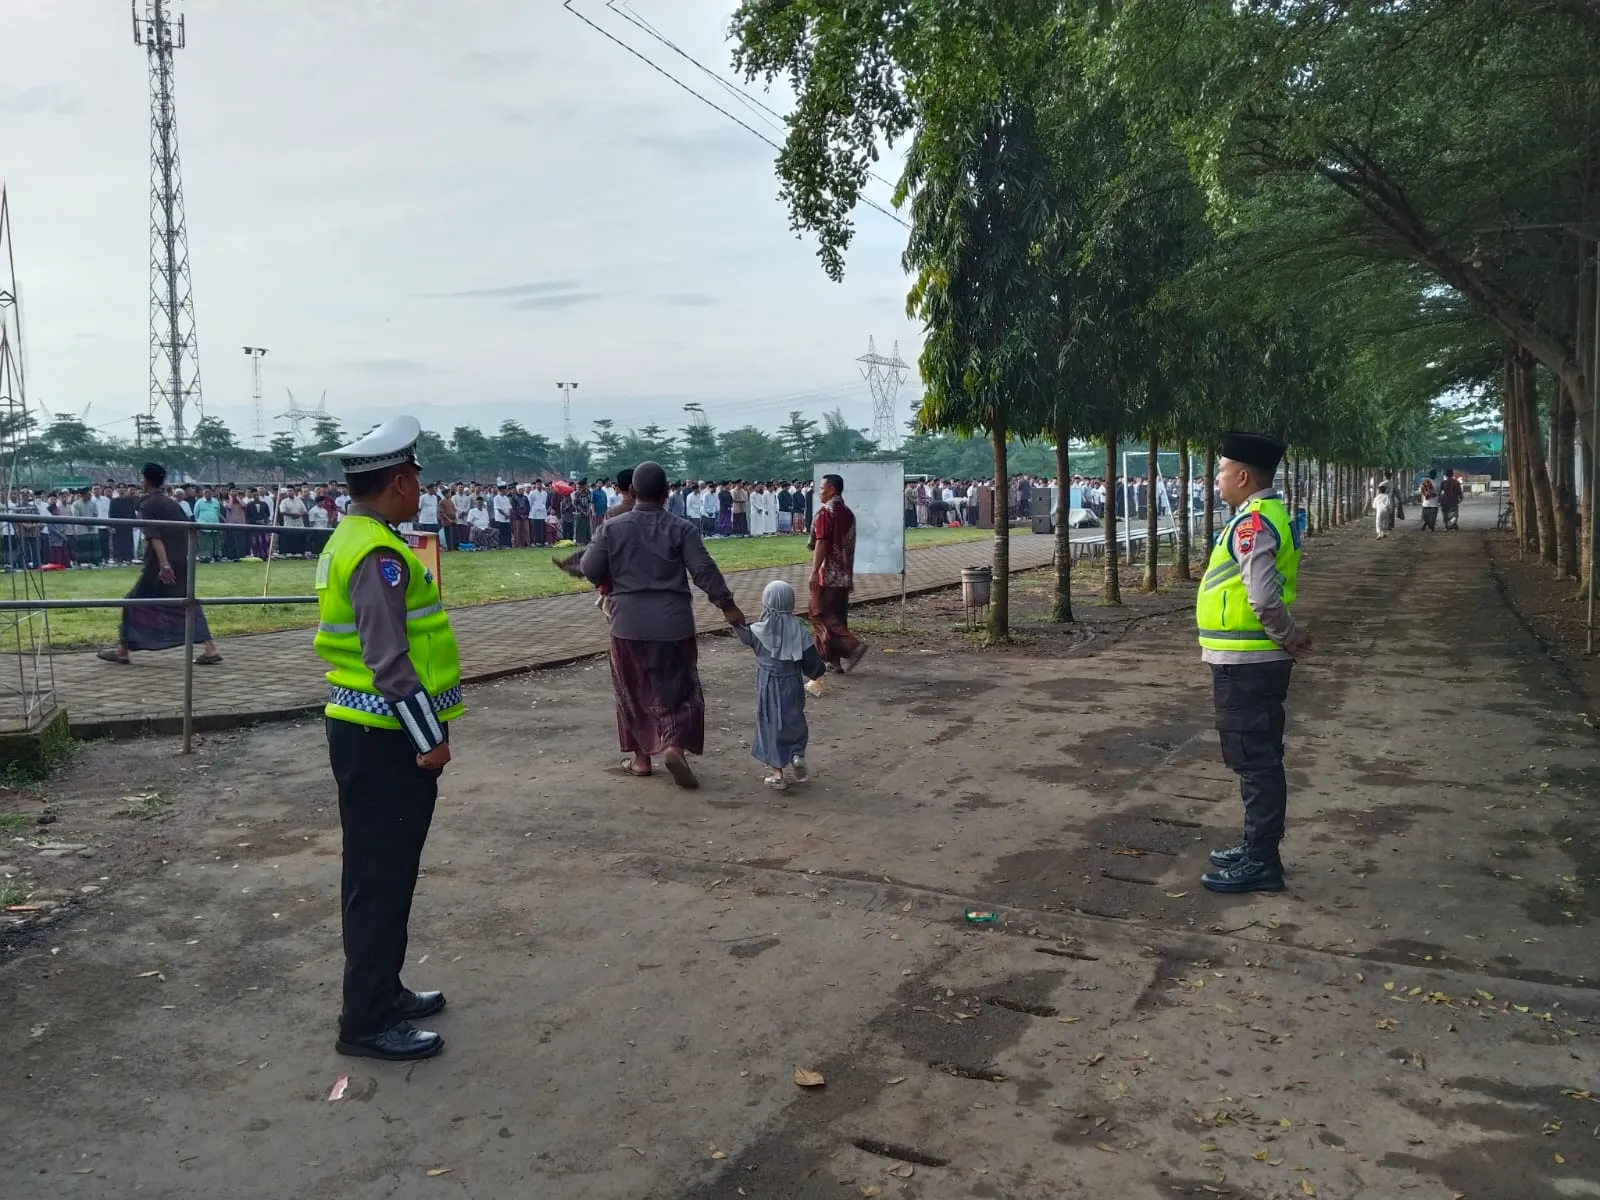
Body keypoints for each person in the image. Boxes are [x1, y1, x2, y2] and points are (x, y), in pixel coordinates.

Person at [313, 416, 461, 1063]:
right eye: (417, 478)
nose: (421, 488)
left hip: (371, 730)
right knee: (379, 877)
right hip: (385, 737)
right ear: (399, 481)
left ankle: (384, 990)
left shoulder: (357, 538)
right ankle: (366, 1020)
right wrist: (429, 738)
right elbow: (388, 657)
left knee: (387, 872)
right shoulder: (378, 555)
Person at [580, 461, 745, 789]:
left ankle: (641, 759)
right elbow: (703, 571)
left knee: (632, 690)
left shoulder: (612, 528)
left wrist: (613, 582)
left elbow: (588, 567)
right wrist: (728, 606)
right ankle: (674, 747)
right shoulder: (681, 528)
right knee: (678, 690)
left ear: (632, 492)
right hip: (674, 625)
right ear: (666, 492)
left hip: (627, 625)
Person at [1194, 432, 1309, 895]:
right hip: (1247, 660)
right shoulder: (1262, 516)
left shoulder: (1254, 523)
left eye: (1221, 470)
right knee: (1253, 758)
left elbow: (1261, 596)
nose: (1216, 478)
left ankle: (1263, 860)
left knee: (1256, 761)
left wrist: (1290, 635)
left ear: (1242, 476)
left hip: (1248, 660)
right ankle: (1255, 845)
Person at [96, 462, 223, 666]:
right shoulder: (171, 503)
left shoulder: (148, 505)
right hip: (182, 559)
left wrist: (164, 565)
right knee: (186, 602)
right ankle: (210, 647)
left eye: (141, 477)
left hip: (161, 564)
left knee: (133, 601)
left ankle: (123, 650)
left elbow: (154, 536)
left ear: (146, 479)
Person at [733, 580, 827, 791]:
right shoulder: (800, 632)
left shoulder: (758, 631)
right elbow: (814, 666)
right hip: (792, 684)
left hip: (768, 686)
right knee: (793, 720)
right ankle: (796, 754)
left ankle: (777, 774)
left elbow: (741, 632)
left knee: (770, 724)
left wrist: (732, 617)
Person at [809, 473, 868, 673]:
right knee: (838, 616)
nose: (819, 491)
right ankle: (832, 661)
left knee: (820, 613)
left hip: (828, 574)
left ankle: (853, 646)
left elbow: (822, 542)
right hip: (845, 574)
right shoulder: (848, 513)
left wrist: (814, 571)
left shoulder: (826, 512)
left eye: (821, 487)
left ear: (832, 489)